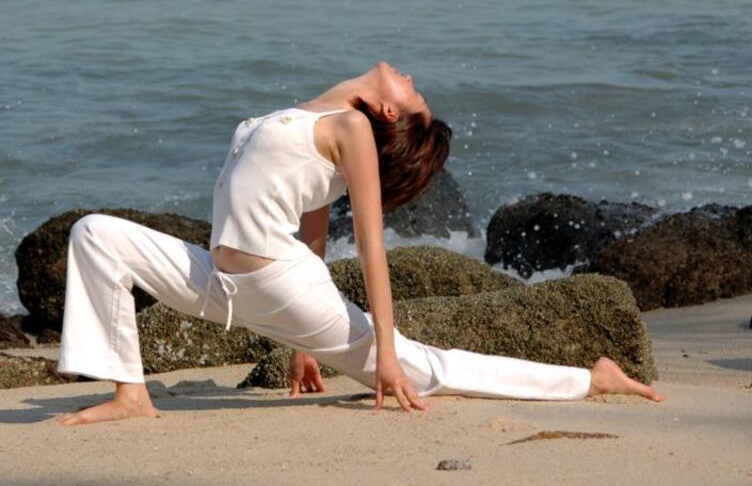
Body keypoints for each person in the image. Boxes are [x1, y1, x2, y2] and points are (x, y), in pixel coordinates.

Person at [54, 61, 663, 426]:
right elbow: (313, 222)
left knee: (424, 371)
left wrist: (388, 350)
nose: (411, 79)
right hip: (221, 280)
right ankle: (131, 394)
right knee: (95, 234)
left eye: (413, 93)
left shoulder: (351, 130)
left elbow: (370, 244)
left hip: (284, 285)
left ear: (392, 115)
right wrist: (298, 347)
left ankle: (591, 379)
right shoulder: (308, 115)